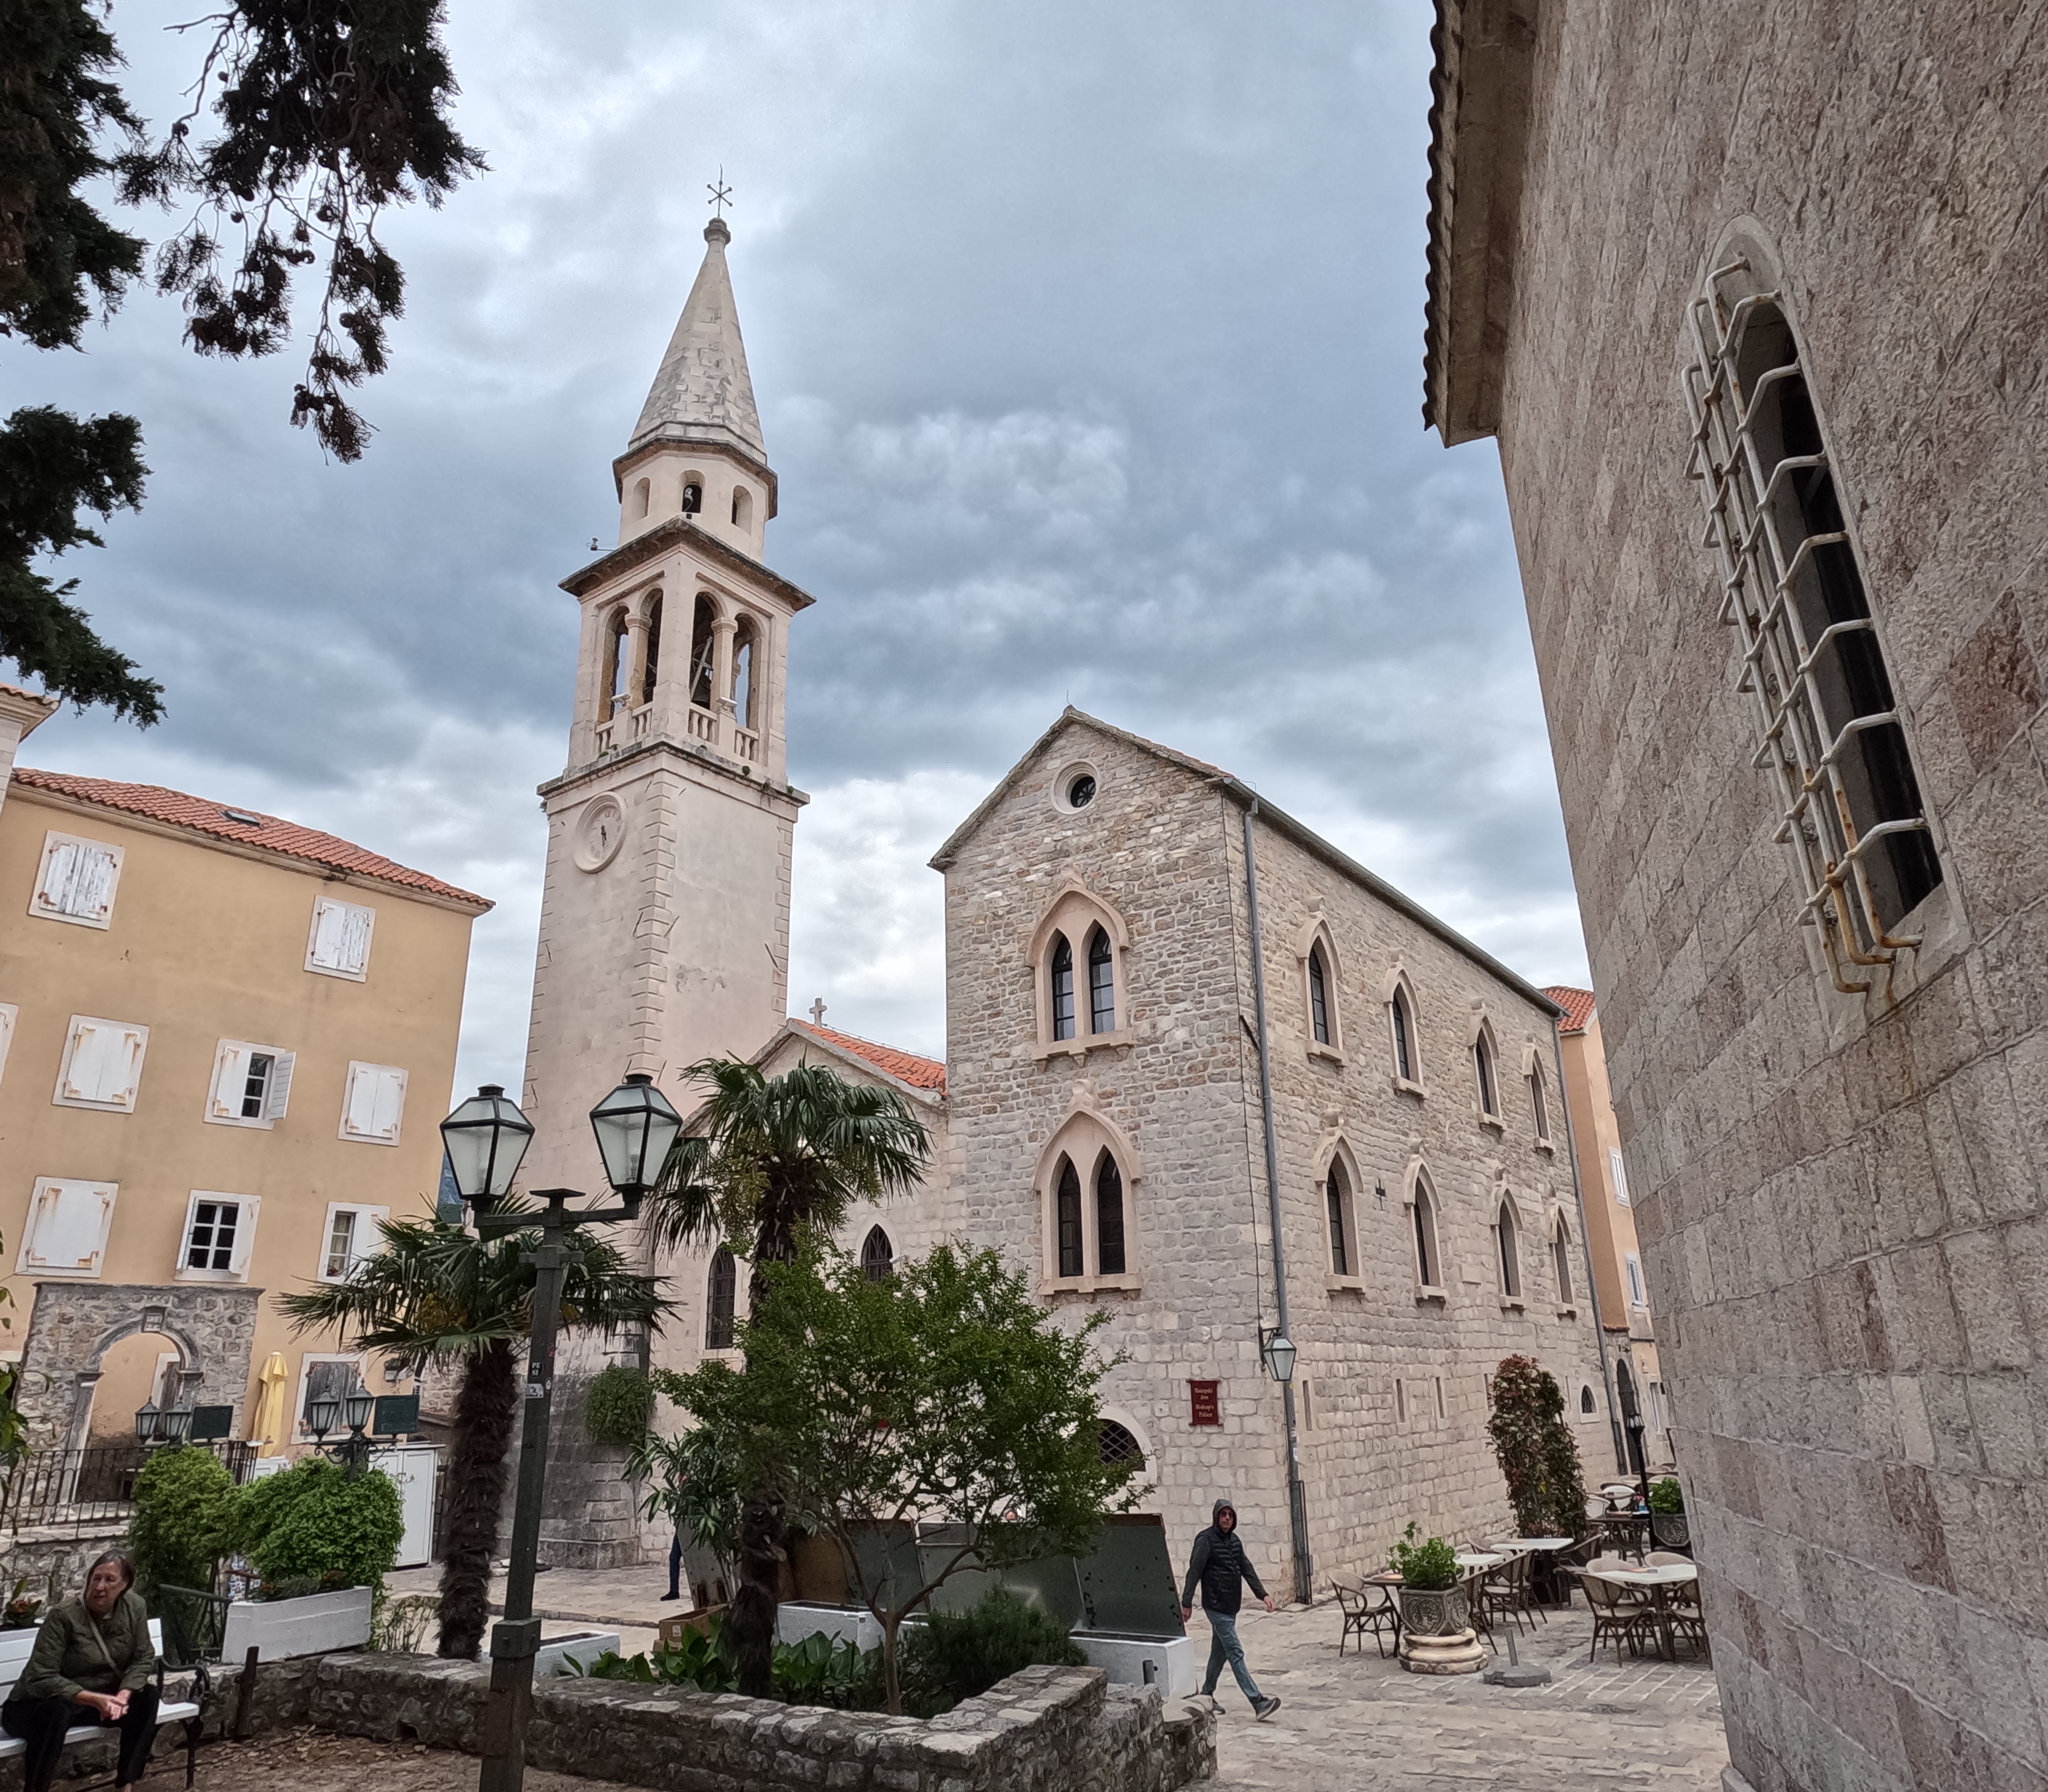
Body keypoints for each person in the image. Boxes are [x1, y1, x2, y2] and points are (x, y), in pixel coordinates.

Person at [1, 1551, 159, 1792]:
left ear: (125, 1585)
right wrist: (95, 1699)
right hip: (33, 1706)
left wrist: (122, 1696)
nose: (100, 1587)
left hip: (94, 1702)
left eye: (109, 1580)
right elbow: (41, 1676)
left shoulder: (134, 1607)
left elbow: (143, 1656)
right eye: (96, 1578)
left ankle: (126, 1784)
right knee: (56, 1711)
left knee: (146, 1697)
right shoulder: (64, 1615)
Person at [1179, 1497, 1280, 1720]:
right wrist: (1186, 1603)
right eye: (1223, 1515)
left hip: (1231, 1606)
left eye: (1230, 1515)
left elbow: (1247, 1568)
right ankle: (1258, 1701)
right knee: (1235, 1651)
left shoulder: (1235, 1542)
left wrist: (1262, 1594)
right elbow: (1194, 1572)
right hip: (1215, 1605)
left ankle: (1207, 1694)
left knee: (1220, 1652)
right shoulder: (1205, 1540)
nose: (1226, 1518)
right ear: (1216, 1517)